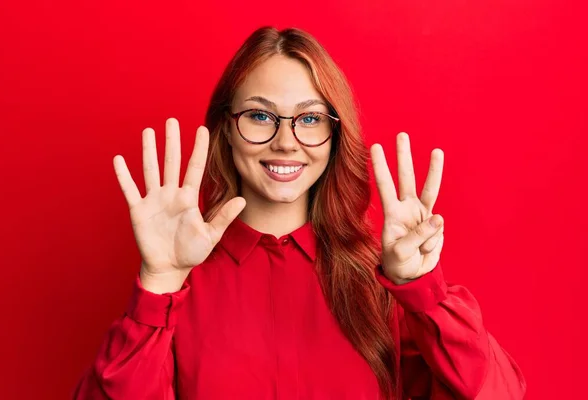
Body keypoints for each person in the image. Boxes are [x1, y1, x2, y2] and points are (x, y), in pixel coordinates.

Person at [73, 27, 526, 400]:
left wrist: (423, 292)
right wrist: (158, 283)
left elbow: (495, 394)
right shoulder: (178, 285)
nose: (286, 141)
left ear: (333, 136)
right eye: (259, 116)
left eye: (309, 119)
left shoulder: (385, 278)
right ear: (225, 130)